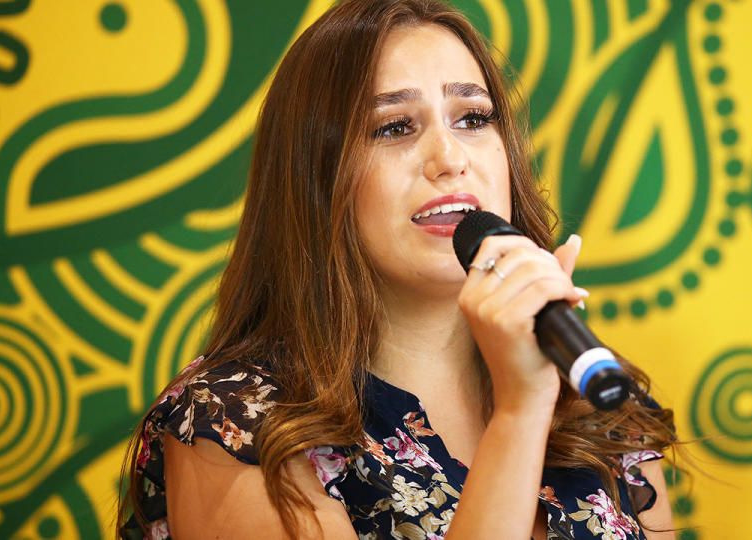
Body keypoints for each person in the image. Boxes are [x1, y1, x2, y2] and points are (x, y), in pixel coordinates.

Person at [117, 0, 680, 538]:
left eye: (473, 117)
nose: (451, 158)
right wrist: (518, 414)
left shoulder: (597, 398)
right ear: (316, 178)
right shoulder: (233, 422)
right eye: (394, 127)